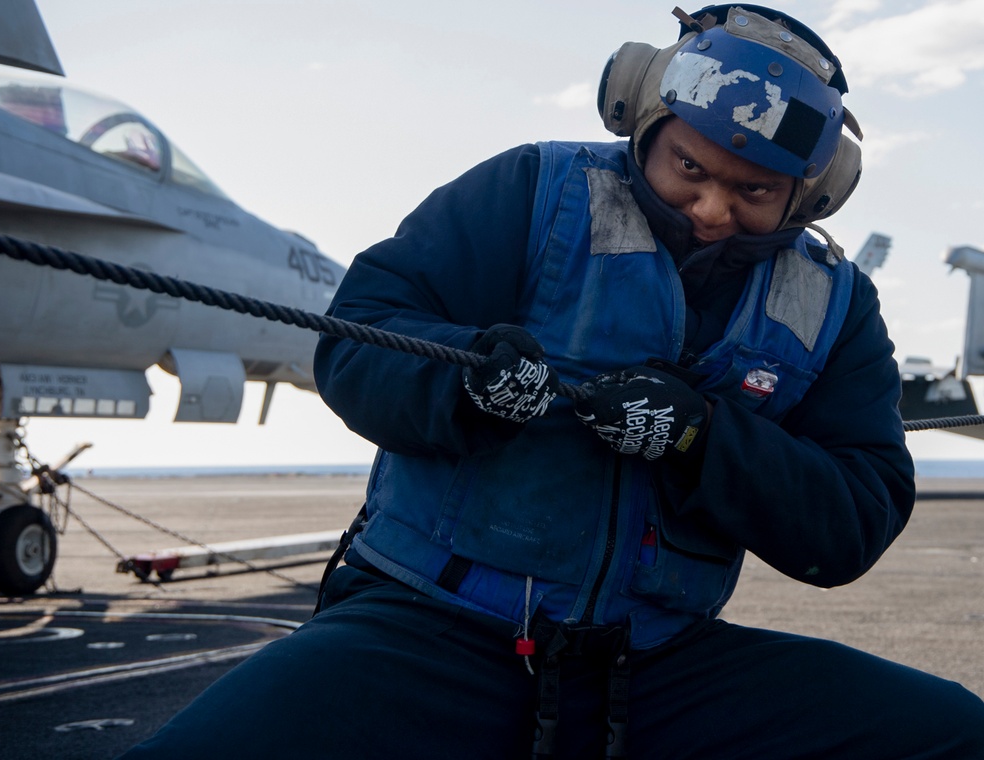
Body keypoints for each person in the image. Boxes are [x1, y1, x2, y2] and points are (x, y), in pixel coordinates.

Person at [120, 5, 984, 758]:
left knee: (953, 735)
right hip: (427, 632)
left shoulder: (835, 304)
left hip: (657, 665)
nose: (714, 210)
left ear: (812, 191)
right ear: (640, 118)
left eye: (754, 190)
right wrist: (469, 387)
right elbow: (358, 342)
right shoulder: (531, 191)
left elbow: (854, 514)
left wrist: (702, 438)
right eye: (690, 168)